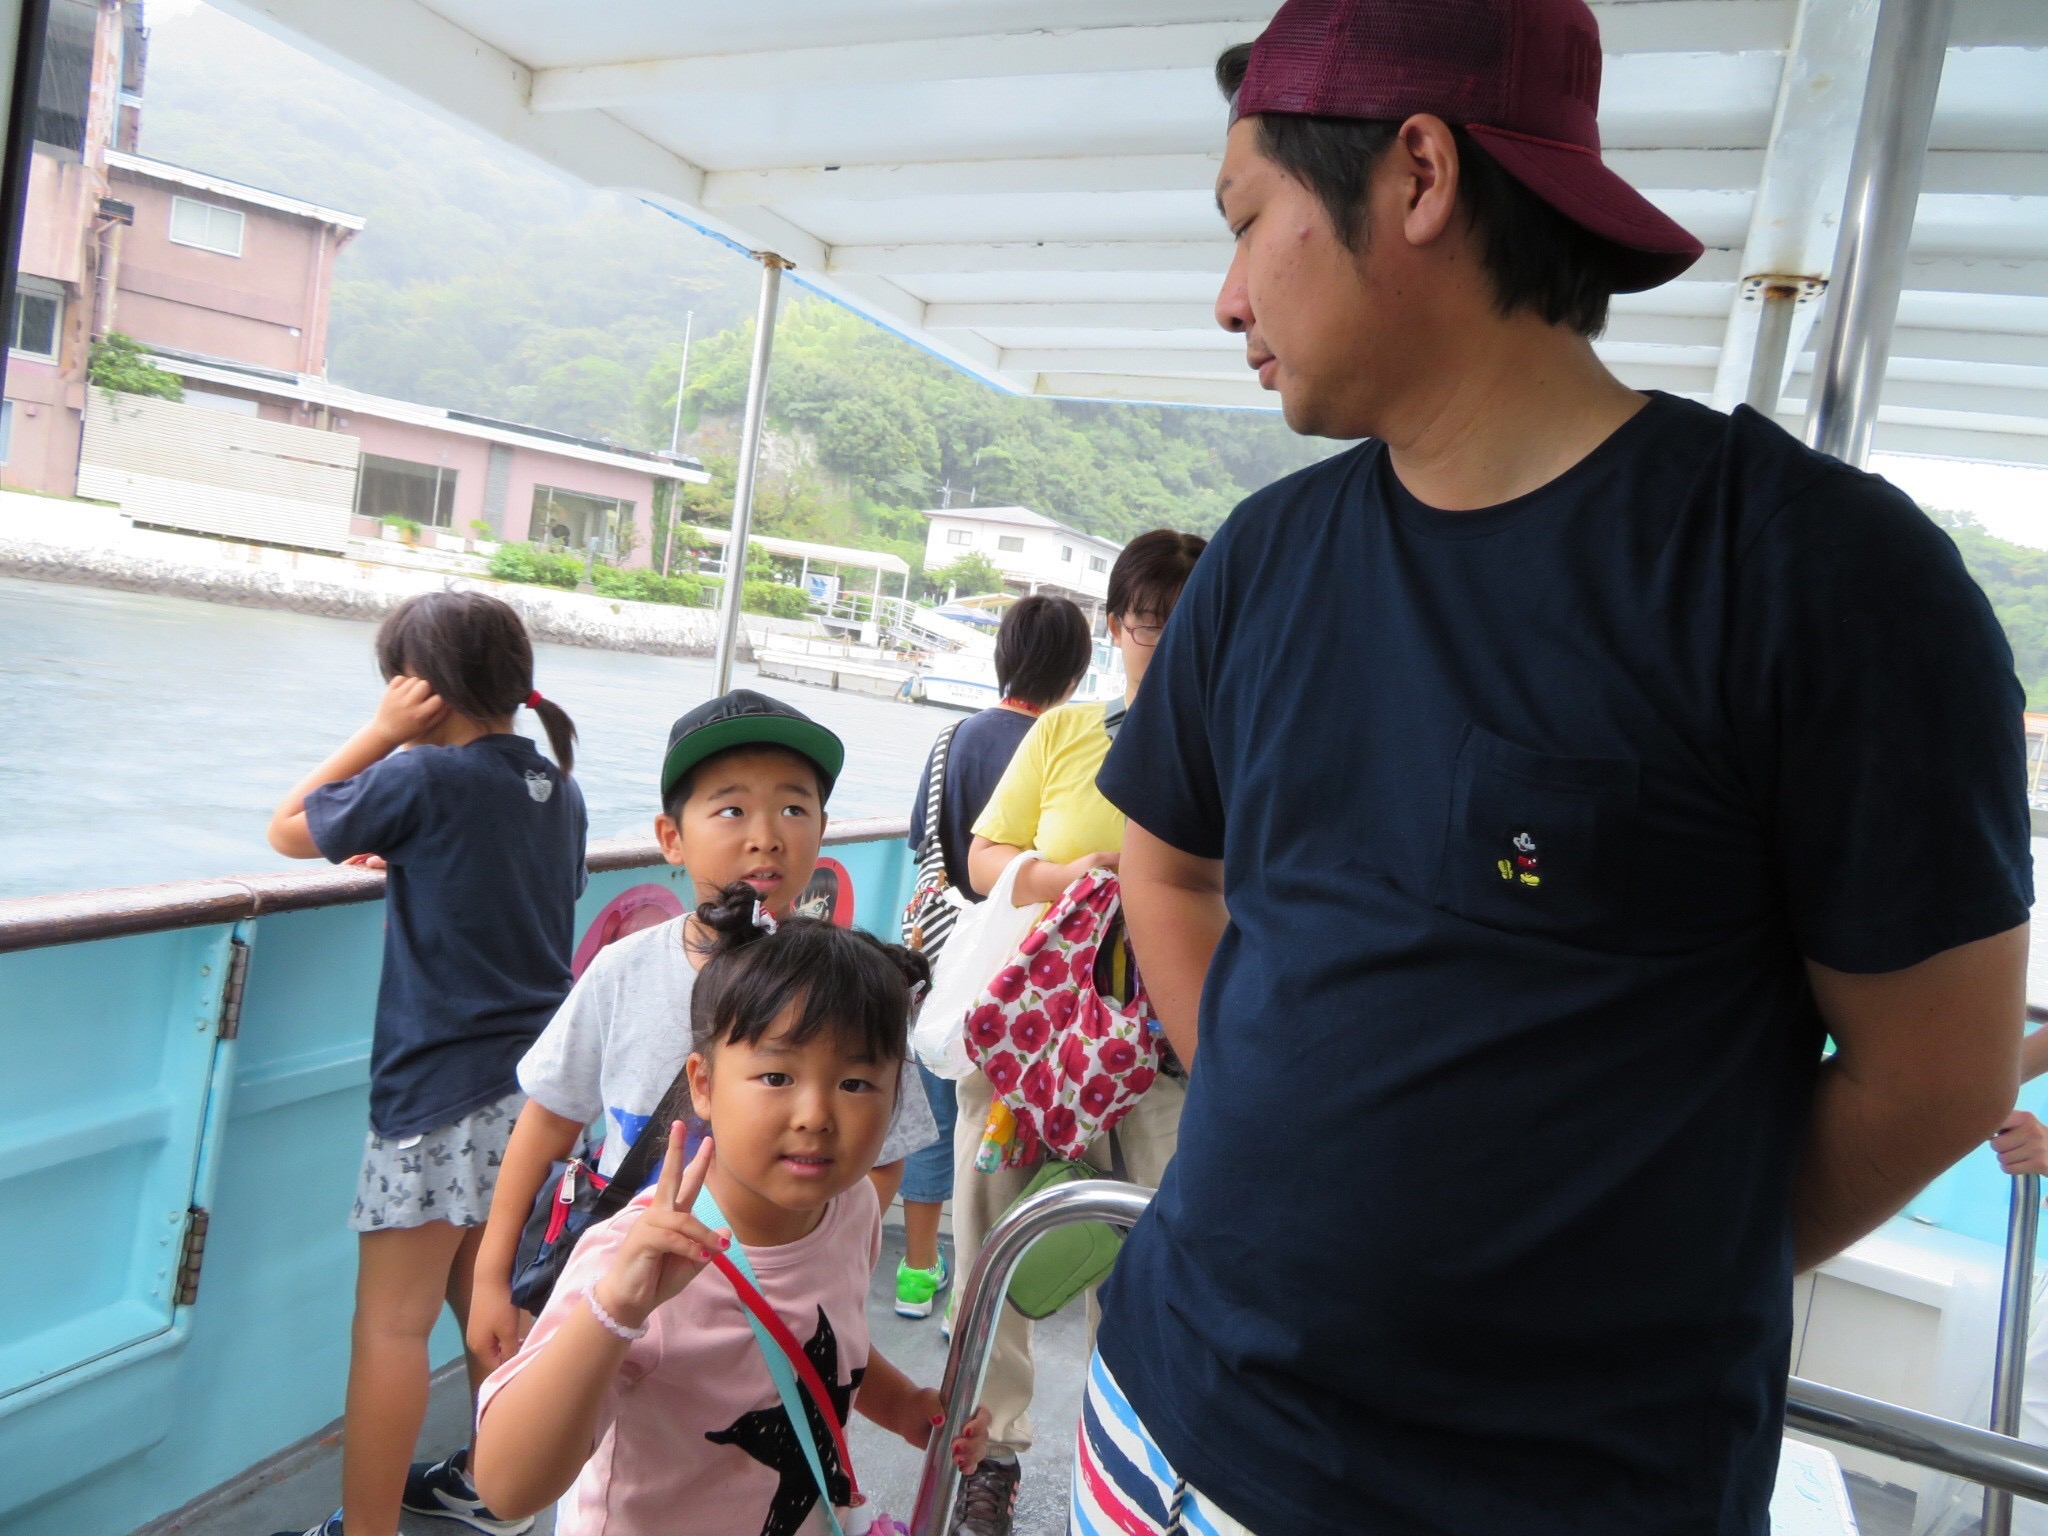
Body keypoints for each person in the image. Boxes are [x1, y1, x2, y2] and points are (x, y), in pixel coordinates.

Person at [1082, 4, 2033, 1533]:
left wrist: (1624, 1276)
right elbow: (1171, 867)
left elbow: (1942, 1069)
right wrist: (1263, 1103)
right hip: (1158, 1425)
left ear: (1418, 177)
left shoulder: (1816, 583)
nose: (1225, 297)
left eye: (1248, 223)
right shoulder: (1267, 560)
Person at [465, 690, 935, 1420]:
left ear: (821, 830)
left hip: (771, 1326)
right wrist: (491, 1279)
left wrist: (823, 1262)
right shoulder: (624, 974)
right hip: (629, 1308)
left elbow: (886, 1150)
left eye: (793, 808)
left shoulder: (848, 987)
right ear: (671, 836)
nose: (766, 836)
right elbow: (548, 1123)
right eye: (730, 810)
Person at [469, 885, 990, 1534]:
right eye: (777, 1077)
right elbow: (507, 1486)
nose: (816, 1116)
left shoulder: (851, 1208)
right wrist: (615, 1313)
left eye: (856, 1083)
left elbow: (828, 1347)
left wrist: (908, 1407)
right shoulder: (636, 1261)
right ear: (704, 1086)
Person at [264, 591, 589, 1536]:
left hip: (436, 1095)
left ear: (423, 693)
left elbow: (287, 828)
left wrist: (378, 736)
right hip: (529, 1095)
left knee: (392, 1328)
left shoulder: (423, 780)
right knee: (483, 1308)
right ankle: (504, 1498)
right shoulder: (555, 789)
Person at [943, 529, 1206, 1535]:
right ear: (1113, 625)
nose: (1166, 641)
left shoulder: (1239, 744)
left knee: (1145, 1272)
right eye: (1147, 621)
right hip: (1038, 1048)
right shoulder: (1063, 735)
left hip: (1164, 1061)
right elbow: (983, 859)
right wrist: (1084, 879)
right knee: (993, 1252)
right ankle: (989, 1455)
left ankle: (1123, 1462)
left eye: (1189, 622)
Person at [895, 594, 1095, 1323]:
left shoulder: (953, 738)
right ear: (1077, 669)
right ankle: (1015, 1287)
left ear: (1001, 655)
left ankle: (918, 1274)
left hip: (941, 955)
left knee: (937, 1117)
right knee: (1009, 1137)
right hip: (1025, 974)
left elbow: (925, 837)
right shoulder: (1069, 746)